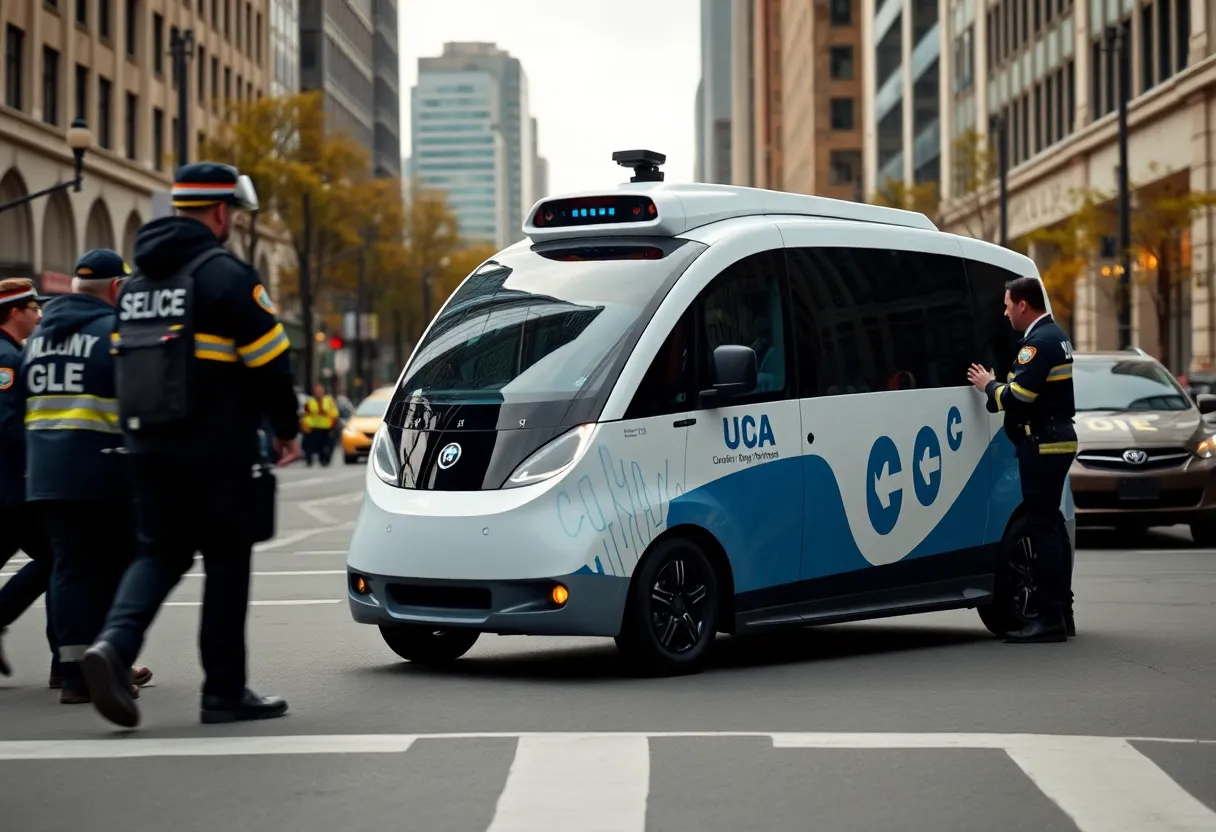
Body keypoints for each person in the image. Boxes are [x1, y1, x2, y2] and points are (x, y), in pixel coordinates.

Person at [81, 162, 301, 728]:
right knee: (228, 559)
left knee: (159, 552)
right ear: (222, 212)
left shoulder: (135, 285)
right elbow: (271, 363)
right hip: (217, 447)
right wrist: (285, 428)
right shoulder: (226, 275)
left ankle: (113, 645)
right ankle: (224, 692)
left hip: (147, 444)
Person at [21, 251, 154, 703]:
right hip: (103, 471)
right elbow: (140, 401)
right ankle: (111, 662)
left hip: (44, 477)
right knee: (120, 571)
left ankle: (73, 672)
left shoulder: (38, 338)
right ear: (116, 288)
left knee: (69, 571)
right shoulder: (112, 333)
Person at [967, 276, 1077, 644]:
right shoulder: (1055, 335)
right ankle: (1062, 611)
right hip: (1056, 439)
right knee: (1054, 528)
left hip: (1042, 443)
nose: (1005, 311)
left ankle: (1049, 619)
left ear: (1023, 305)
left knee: (1042, 529)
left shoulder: (1037, 343)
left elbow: (1019, 398)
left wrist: (989, 386)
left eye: (1007, 304)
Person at [0, 278, 58, 684]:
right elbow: (6, 425)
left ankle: (70, 661)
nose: (39, 316)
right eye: (34, 308)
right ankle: (70, 663)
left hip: (12, 486)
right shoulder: (5, 360)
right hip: (13, 486)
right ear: (16, 312)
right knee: (61, 559)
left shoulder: (14, 354)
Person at [300, 382, 338, 466]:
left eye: (320, 391)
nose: (319, 393)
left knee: (326, 447)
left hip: (326, 428)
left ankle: (324, 459)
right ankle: (309, 459)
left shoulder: (329, 401)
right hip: (312, 428)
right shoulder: (309, 402)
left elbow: (334, 414)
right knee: (309, 446)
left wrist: (333, 426)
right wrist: (305, 426)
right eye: (317, 391)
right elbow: (305, 415)